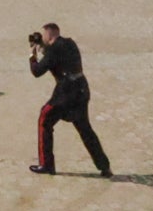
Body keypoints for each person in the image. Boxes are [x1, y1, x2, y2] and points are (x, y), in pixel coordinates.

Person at [26, 23, 111, 176]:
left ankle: (46, 165)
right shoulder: (70, 43)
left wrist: (32, 55)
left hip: (66, 93)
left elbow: (37, 71)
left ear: (49, 34)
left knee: (44, 119)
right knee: (85, 130)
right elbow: (59, 60)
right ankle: (104, 166)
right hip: (82, 90)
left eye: (44, 35)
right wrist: (45, 49)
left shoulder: (53, 50)